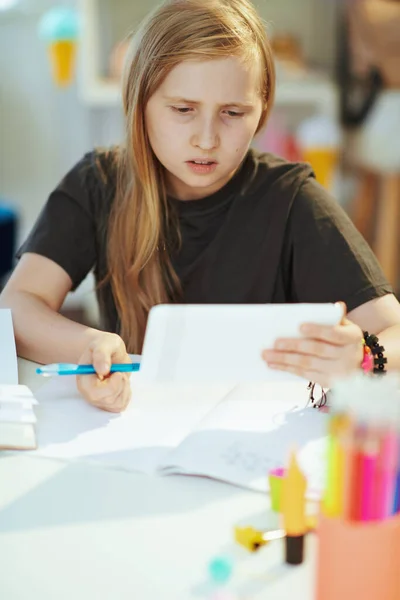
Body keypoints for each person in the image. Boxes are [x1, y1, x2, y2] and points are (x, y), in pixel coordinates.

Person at [1, 0, 400, 413]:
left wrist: (363, 356)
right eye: (183, 110)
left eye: (232, 112)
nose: (206, 139)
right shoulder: (98, 184)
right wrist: (87, 346)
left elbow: (394, 328)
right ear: (140, 104)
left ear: (262, 110)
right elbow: (17, 303)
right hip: (133, 433)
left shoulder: (293, 200)